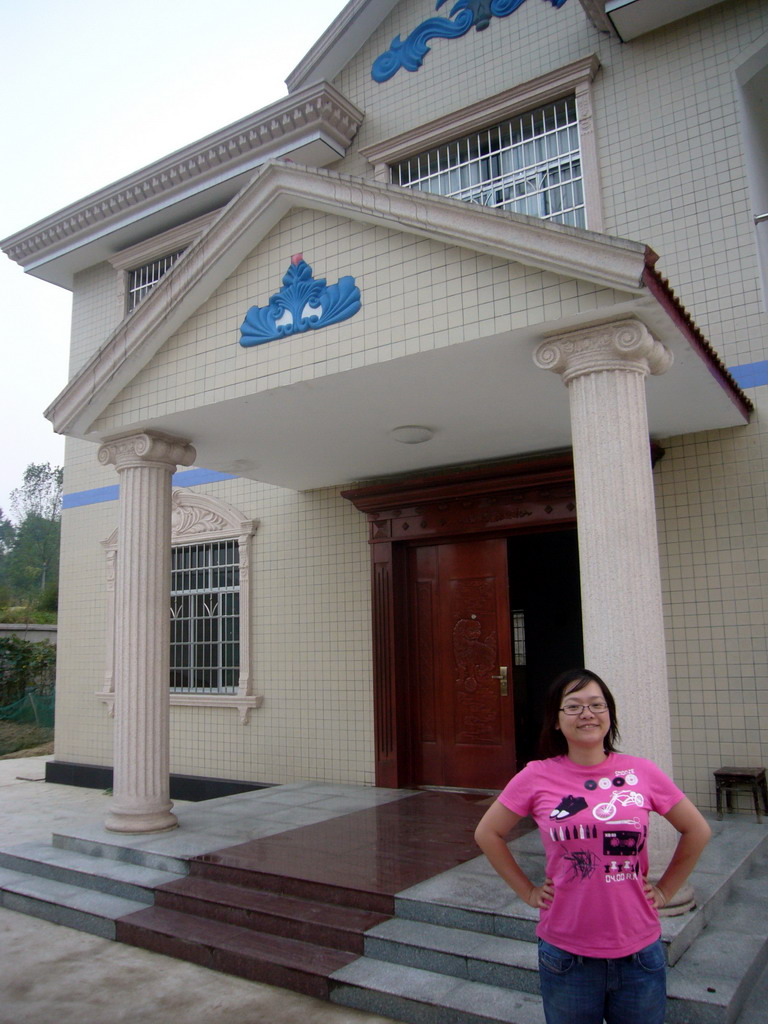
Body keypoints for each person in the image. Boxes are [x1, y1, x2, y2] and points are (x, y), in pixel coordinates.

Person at [474, 668, 711, 1024]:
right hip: (567, 954)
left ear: (609, 714)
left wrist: (663, 892)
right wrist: (527, 891)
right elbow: (487, 833)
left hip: (639, 953)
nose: (587, 713)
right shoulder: (536, 776)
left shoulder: (640, 772)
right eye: (573, 706)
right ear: (556, 721)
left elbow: (697, 830)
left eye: (597, 704)